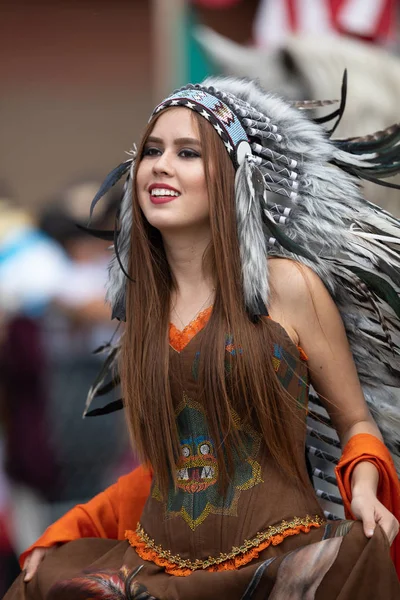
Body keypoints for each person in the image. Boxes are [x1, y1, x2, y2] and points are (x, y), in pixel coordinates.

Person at [5, 76, 400, 599]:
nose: (161, 164)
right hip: (158, 564)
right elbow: (168, 469)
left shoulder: (289, 285)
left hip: (277, 563)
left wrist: (367, 491)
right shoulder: (143, 307)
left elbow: (354, 421)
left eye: (188, 152)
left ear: (234, 178)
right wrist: (74, 530)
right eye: (152, 150)